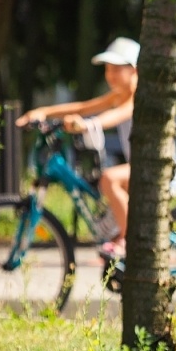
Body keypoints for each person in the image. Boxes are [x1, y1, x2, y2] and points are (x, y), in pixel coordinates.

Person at [15, 36, 140, 253]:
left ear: (134, 70)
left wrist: (87, 125)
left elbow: (116, 116)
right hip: (136, 168)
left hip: (158, 169)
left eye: (117, 69)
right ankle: (120, 239)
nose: (110, 75)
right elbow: (83, 107)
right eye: (108, 69)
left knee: (109, 179)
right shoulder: (118, 95)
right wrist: (43, 112)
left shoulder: (139, 97)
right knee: (109, 198)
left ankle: (129, 242)